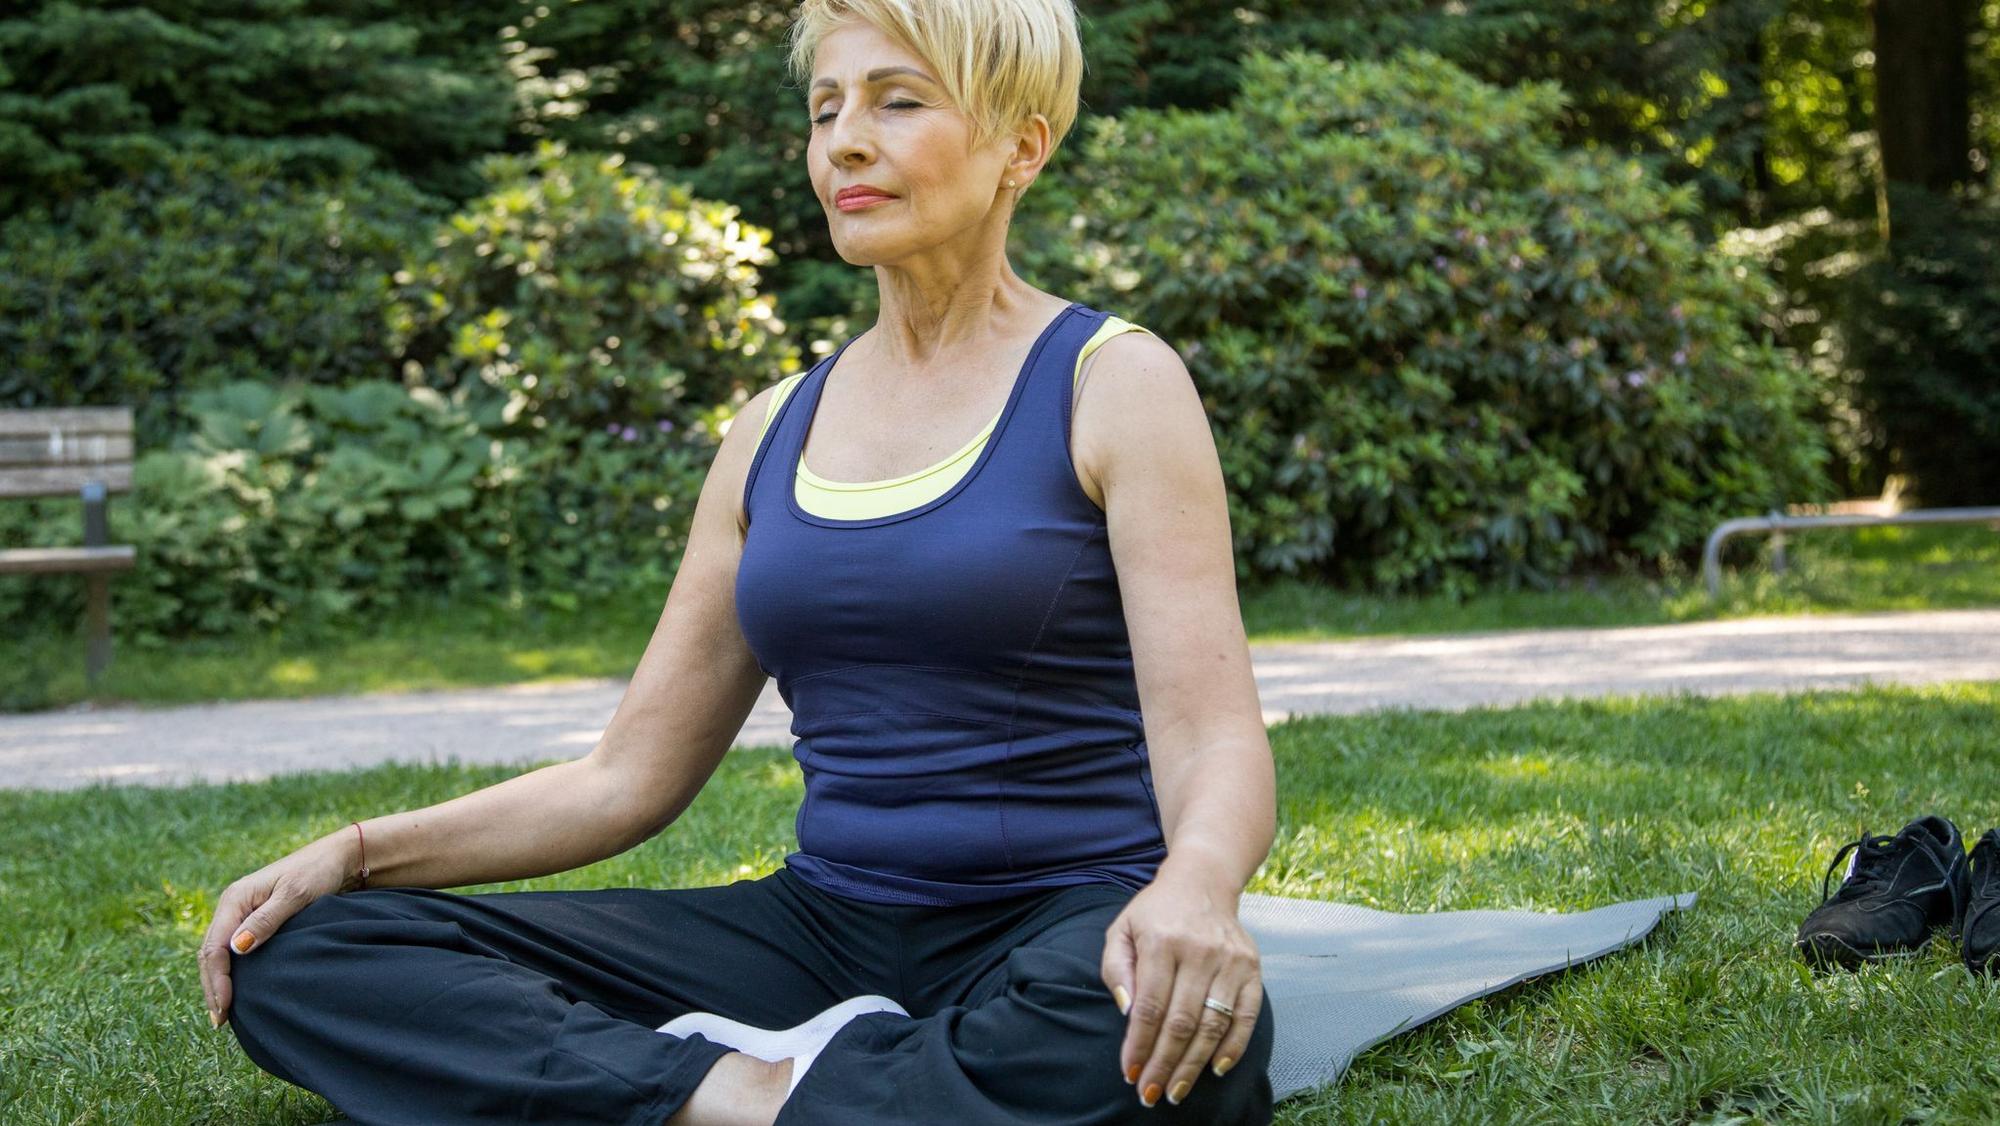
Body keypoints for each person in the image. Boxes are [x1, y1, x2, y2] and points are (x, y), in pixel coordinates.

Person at [197, 1, 1279, 1122]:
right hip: (818, 929)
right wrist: (362, 853)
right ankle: (746, 1097)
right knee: (305, 947)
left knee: (1145, 1036)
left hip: (1059, 921)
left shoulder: (1114, 381)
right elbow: (628, 777)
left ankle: (717, 1094)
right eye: (825, 110)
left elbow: (1210, 736)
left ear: (1021, 145)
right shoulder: (773, 428)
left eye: (896, 101)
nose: (843, 141)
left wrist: (1195, 893)